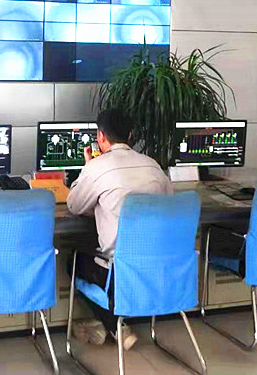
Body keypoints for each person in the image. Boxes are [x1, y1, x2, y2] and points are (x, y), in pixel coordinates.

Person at [66, 107, 171, 350]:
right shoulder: (153, 166)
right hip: (158, 269)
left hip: (118, 274)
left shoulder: (97, 167)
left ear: (101, 136)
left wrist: (87, 170)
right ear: (131, 135)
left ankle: (115, 326)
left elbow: (74, 205)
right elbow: (169, 205)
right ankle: (109, 324)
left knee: (74, 261)